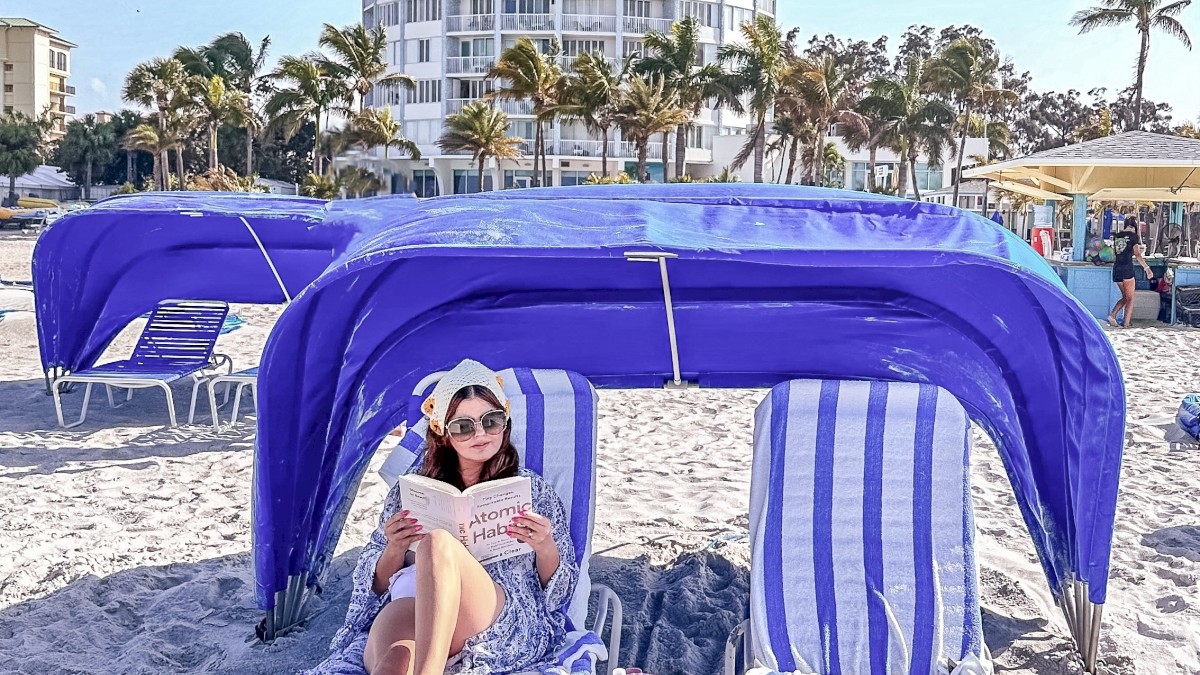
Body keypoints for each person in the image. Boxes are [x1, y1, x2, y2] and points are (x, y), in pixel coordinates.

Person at [309, 359, 578, 675]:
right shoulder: (412, 489)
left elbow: (560, 591)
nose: (480, 434)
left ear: (505, 421)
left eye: (491, 421)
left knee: (438, 543)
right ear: (442, 432)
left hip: (494, 614)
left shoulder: (532, 489)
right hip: (415, 603)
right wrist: (395, 548)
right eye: (464, 426)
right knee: (394, 664)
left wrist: (545, 545)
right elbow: (375, 587)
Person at [1108, 215, 1154, 328]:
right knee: (1130, 298)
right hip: (1127, 268)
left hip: (1117, 268)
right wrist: (1147, 268)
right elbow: (1137, 254)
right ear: (1135, 226)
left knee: (1125, 297)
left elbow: (1115, 254)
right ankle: (1126, 323)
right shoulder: (1134, 236)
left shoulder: (1117, 236)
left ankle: (1113, 316)